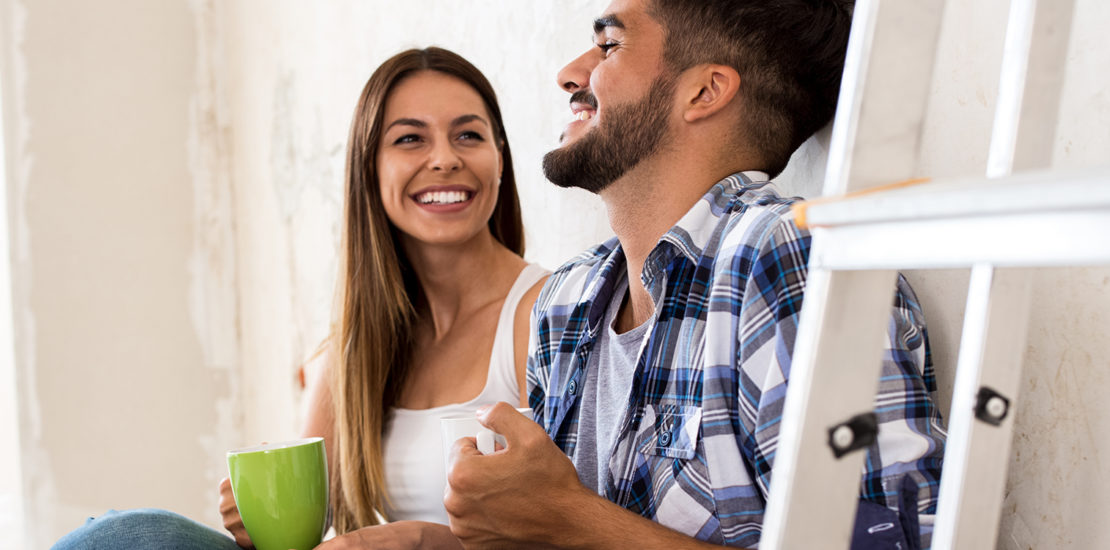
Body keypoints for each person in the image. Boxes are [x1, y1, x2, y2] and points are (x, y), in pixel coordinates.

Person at [442, 1, 946, 549]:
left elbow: (898, 543)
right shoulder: (566, 298)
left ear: (704, 92)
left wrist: (574, 518)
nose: (570, 73)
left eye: (610, 45)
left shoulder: (787, 261)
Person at [52, 47, 545, 550]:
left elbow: (573, 526)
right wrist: (256, 518)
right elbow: (298, 538)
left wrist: (425, 541)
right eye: (410, 139)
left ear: (500, 157)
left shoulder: (547, 315)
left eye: (469, 135)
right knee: (122, 537)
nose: (445, 158)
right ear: (368, 171)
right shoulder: (351, 358)